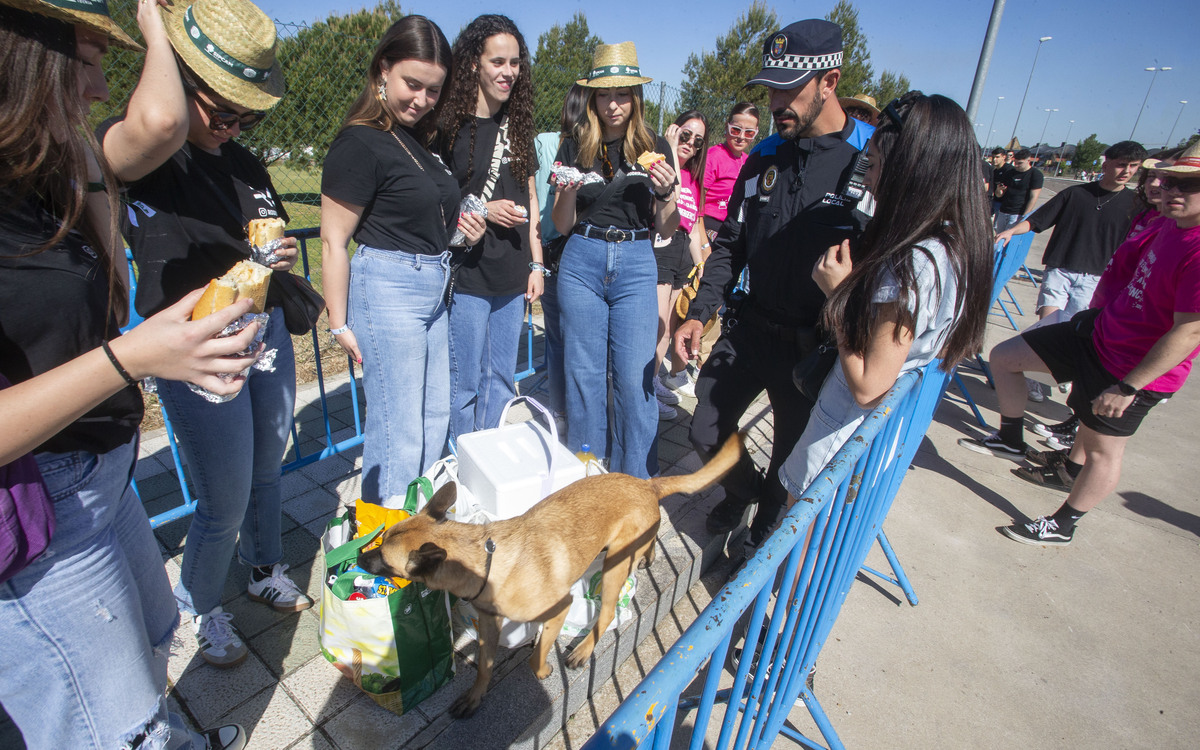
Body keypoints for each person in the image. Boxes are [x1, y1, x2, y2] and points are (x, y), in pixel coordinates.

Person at [0, 1, 257, 746]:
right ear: (26, 57)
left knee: (155, 630)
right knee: (113, 727)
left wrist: (154, 29)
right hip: (39, 511)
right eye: (87, 62)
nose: (101, 91)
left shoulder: (42, 172)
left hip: (103, 471)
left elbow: (155, 126)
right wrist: (133, 356)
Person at [98, 0, 312, 669]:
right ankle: (200, 603)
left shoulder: (244, 164)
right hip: (194, 347)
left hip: (265, 330)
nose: (233, 125)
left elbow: (273, 238)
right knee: (223, 494)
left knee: (267, 469)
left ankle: (264, 566)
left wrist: (278, 259)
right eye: (222, 109)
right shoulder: (147, 152)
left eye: (247, 115)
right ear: (180, 81)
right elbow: (158, 121)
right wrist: (155, 24)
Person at [673, 19, 874, 546]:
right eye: (771, 89)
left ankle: (761, 533)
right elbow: (731, 245)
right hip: (751, 329)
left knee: (789, 473)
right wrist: (700, 312)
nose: (777, 102)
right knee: (703, 428)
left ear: (829, 81)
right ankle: (741, 492)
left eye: (790, 89)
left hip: (818, 348)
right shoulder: (762, 155)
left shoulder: (872, 158)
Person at [958, 141, 1200, 546]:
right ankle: (1011, 438)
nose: (1170, 190)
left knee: (1102, 450)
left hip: (1130, 370)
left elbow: (1189, 332)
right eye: (1169, 179)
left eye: (1188, 185)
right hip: (1098, 334)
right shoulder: (1166, 223)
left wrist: (1128, 387)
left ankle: (1064, 523)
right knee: (1005, 357)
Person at [778, 91, 991, 514]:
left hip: (837, 444)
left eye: (873, 165)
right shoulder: (958, 246)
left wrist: (838, 295)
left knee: (797, 555)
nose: (868, 178)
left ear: (908, 169)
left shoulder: (915, 262)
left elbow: (869, 385)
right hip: (861, 445)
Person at [321, 16, 486, 505]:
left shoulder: (415, 139)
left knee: (435, 415)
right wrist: (337, 322)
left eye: (433, 90)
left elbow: (419, 219)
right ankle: (386, 543)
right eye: (412, 84)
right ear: (382, 71)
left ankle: (413, 522)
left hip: (432, 285)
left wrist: (458, 233)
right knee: (399, 428)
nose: (421, 100)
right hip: (388, 288)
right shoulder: (358, 142)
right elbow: (333, 241)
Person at [552, 41, 679, 476]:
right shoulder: (574, 145)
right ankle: (587, 475)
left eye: (622, 94)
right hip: (582, 258)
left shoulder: (655, 145)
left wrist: (665, 193)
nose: (612, 104)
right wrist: (566, 192)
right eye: (604, 94)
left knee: (634, 378)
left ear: (635, 98)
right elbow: (563, 224)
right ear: (592, 98)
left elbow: (666, 227)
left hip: (636, 259)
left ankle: (635, 483)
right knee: (584, 377)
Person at [438, 15, 543, 441]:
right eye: (498, 61)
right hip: (468, 273)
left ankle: (489, 465)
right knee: (462, 383)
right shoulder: (446, 126)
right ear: (473, 64)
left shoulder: (519, 126)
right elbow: (436, 201)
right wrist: (482, 208)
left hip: (513, 273)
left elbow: (532, 198)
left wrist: (538, 266)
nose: (508, 72)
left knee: (500, 379)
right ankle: (459, 466)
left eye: (515, 62)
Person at [995, 141, 1145, 404]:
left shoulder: (1136, 204)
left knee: (1074, 335)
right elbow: (1037, 220)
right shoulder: (1075, 194)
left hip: (1097, 279)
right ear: (1106, 163)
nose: (1127, 171)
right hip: (1060, 269)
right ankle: (1033, 380)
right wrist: (1010, 231)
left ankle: (1058, 375)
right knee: (1047, 328)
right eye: (1122, 164)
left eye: (1133, 166)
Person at [533, 84, 590, 429]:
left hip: (569, 251)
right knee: (565, 340)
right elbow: (544, 207)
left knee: (569, 341)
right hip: (564, 251)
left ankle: (569, 413)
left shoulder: (552, 143)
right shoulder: (551, 145)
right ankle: (565, 413)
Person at [652, 110, 708, 420]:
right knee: (656, 325)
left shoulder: (693, 178)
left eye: (697, 141)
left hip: (682, 253)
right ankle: (644, 390)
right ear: (673, 131)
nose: (690, 143)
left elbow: (694, 227)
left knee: (667, 330)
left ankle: (654, 378)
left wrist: (701, 266)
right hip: (661, 246)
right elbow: (663, 204)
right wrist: (669, 148)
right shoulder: (661, 166)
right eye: (685, 135)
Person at [701, 101, 759, 242]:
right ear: (727, 127)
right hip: (710, 224)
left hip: (736, 225)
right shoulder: (713, 156)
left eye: (749, 133)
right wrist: (703, 243)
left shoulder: (750, 161)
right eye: (736, 130)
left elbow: (749, 197)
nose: (741, 137)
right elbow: (698, 199)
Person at [994, 148, 1044, 232]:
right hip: (1003, 210)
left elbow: (1033, 197)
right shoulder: (1010, 173)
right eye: (1015, 163)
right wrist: (999, 190)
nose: (1016, 165)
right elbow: (999, 194)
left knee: (1009, 236)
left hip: (1018, 213)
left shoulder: (1035, 175)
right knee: (999, 236)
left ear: (1028, 161)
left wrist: (1025, 216)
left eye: (1020, 163)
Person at [989, 147, 1011, 218]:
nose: (994, 159)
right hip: (995, 200)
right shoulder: (995, 171)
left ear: (1004, 157)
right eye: (993, 157)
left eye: (997, 157)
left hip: (1004, 203)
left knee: (997, 225)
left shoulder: (1009, 170)